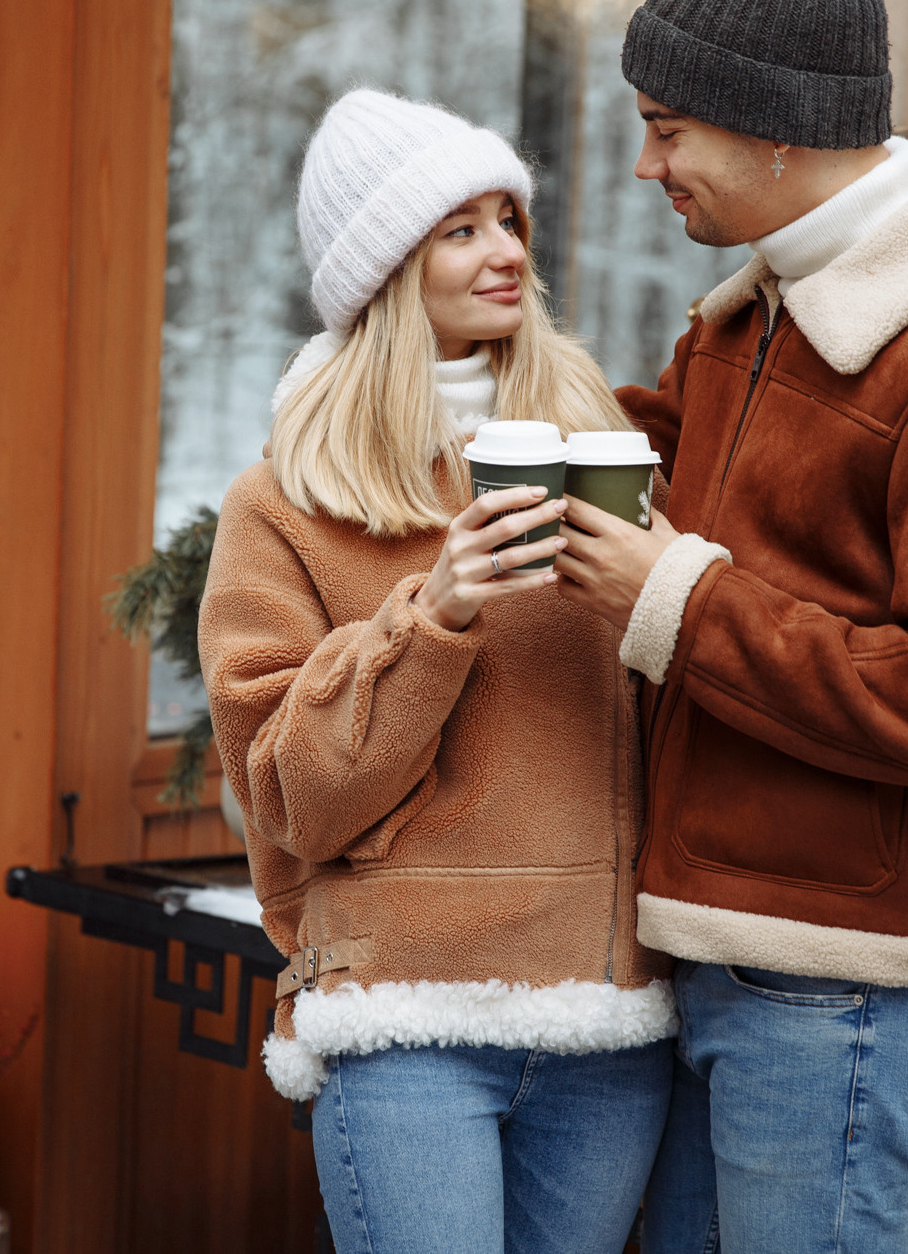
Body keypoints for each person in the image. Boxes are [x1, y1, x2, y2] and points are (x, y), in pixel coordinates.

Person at [552, 0, 908, 1251]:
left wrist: (678, 601)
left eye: (668, 127)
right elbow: (687, 474)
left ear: (775, 128)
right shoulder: (759, 312)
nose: (646, 165)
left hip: (850, 996)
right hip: (725, 950)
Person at [199, 88, 676, 1254]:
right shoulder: (285, 501)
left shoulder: (600, 450)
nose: (506, 251)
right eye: (459, 230)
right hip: (401, 1018)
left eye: (507, 218)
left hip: (607, 1012)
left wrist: (662, 578)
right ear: (382, 270)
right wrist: (435, 612)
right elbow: (289, 798)